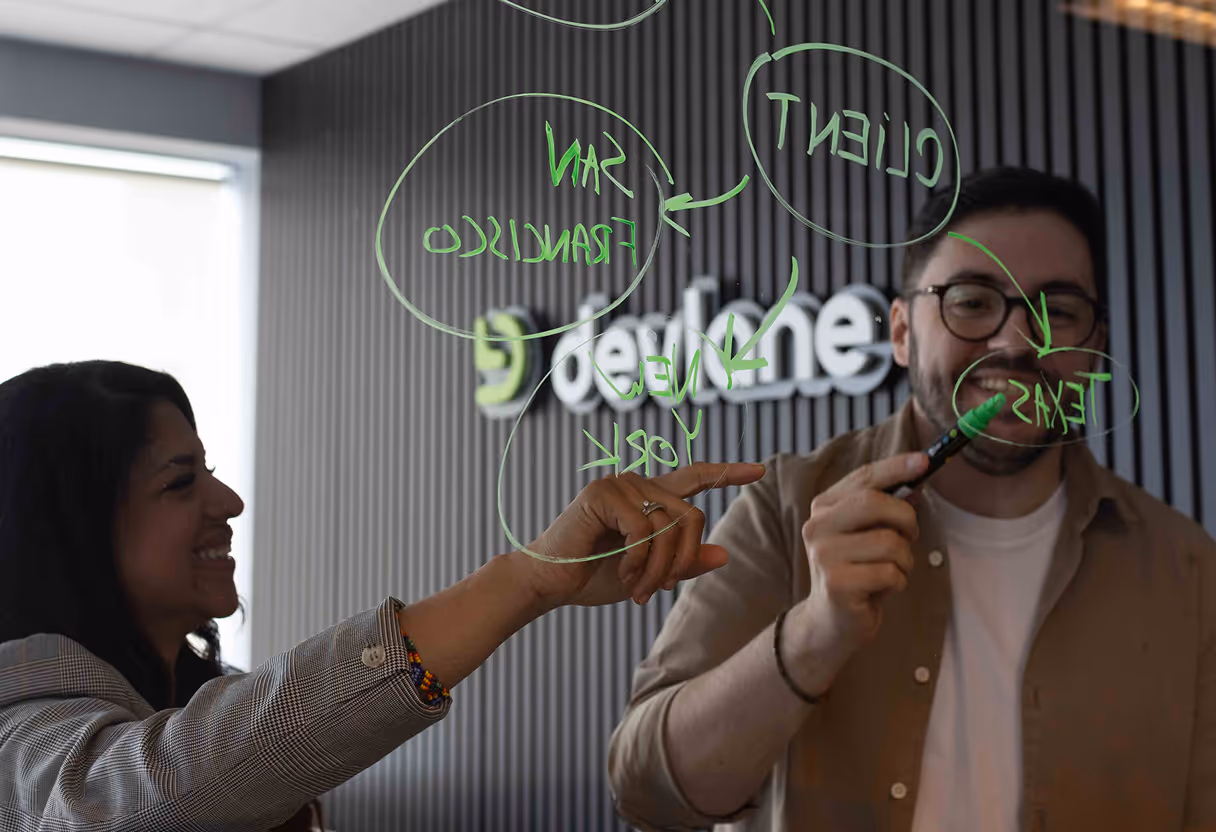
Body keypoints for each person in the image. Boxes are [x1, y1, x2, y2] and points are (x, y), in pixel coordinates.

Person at [607, 167, 1216, 832]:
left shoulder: (1186, 567)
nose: (1016, 342)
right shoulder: (786, 506)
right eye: (972, 301)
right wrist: (814, 633)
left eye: (1060, 310)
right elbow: (647, 791)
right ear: (902, 332)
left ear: (1095, 345)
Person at [0, 359, 764, 832]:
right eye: (181, 482)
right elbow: (132, 800)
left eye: (211, 470)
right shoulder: (20, 736)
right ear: (72, 525)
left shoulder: (189, 694)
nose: (228, 501)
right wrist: (525, 579)